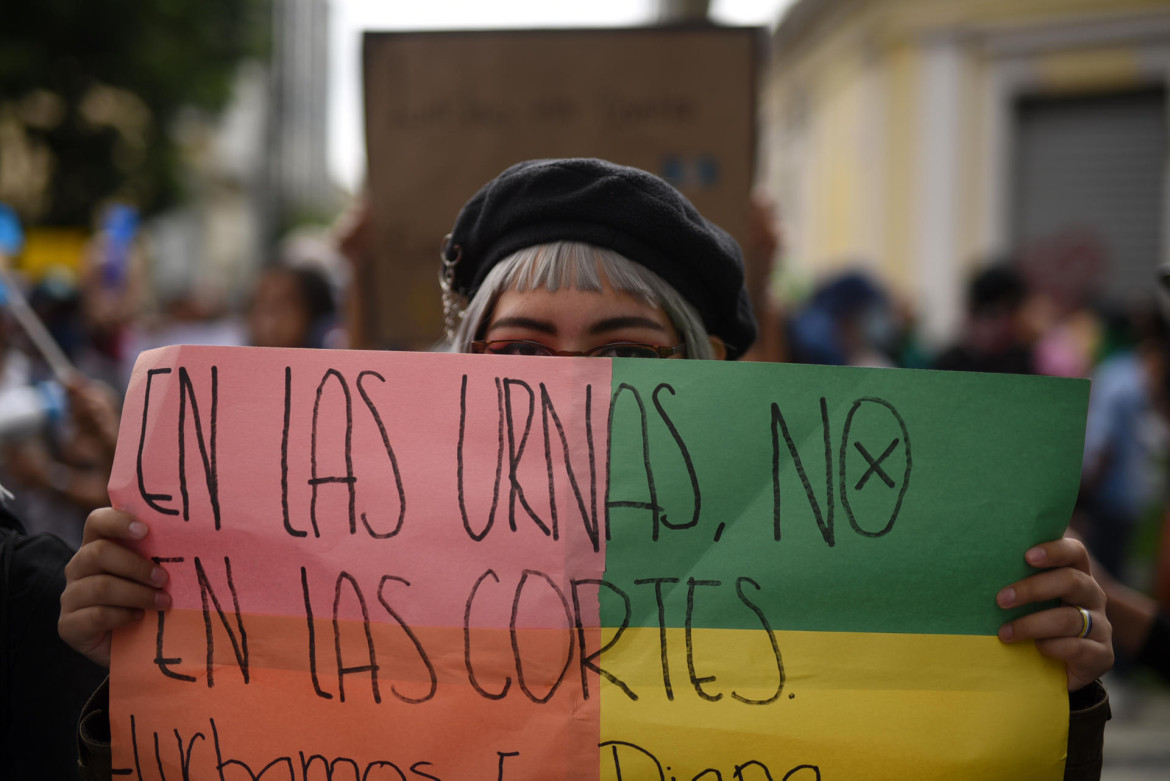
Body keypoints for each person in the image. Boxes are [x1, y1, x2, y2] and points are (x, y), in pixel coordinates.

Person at [59, 158, 1112, 779]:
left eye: (625, 353)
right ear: (459, 373)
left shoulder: (821, 567)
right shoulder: (339, 570)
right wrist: (142, 681)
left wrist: (1047, 694)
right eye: (519, 351)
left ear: (703, 376)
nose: (570, 389)